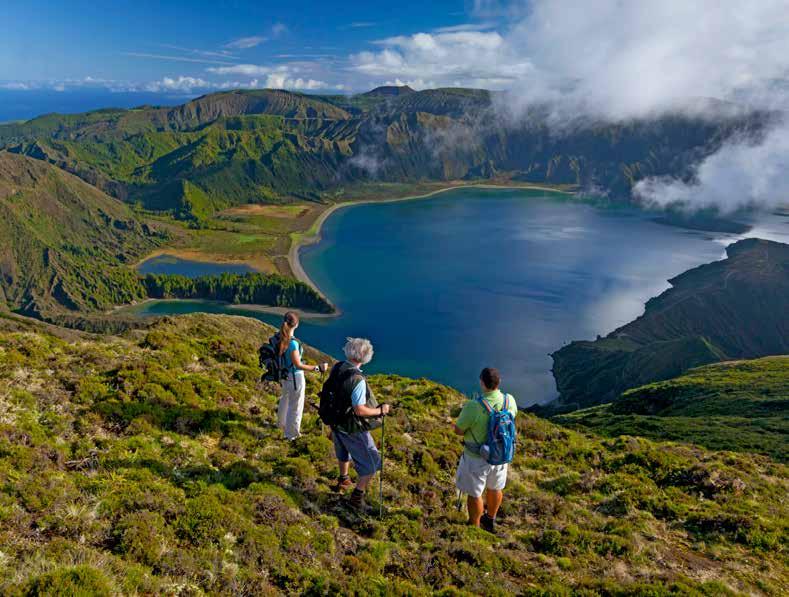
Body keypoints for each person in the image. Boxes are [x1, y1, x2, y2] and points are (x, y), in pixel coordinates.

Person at [328, 337, 391, 512]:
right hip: (351, 427)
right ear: (364, 355)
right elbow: (359, 410)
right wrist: (381, 411)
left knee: (342, 451)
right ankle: (357, 497)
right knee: (372, 462)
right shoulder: (358, 379)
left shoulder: (338, 367)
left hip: (336, 422)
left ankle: (344, 479)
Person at [453, 367, 517, 533]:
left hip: (476, 457)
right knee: (495, 488)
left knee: (475, 493)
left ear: (482, 383)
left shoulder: (474, 406)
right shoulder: (509, 401)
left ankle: (474, 526)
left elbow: (458, 430)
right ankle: (489, 520)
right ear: (499, 382)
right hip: (501, 455)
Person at [276, 311, 327, 441]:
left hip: (285, 376)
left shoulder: (281, 338)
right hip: (295, 377)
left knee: (285, 400)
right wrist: (317, 368)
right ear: (296, 324)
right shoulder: (293, 343)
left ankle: (281, 425)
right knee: (296, 405)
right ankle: (291, 434)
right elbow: (298, 365)